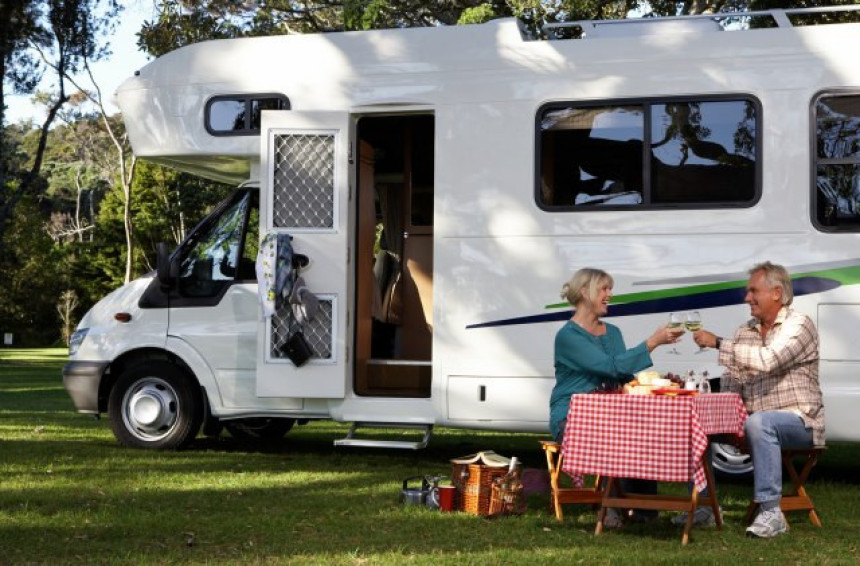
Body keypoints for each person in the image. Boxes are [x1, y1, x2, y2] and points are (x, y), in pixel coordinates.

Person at [693, 261, 825, 539]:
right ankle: (702, 506)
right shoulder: (744, 332)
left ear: (776, 293)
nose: (746, 298)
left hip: (800, 421)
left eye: (753, 291)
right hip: (754, 422)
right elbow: (733, 385)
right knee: (692, 423)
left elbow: (769, 360)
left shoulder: (799, 325)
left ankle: (771, 513)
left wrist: (717, 342)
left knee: (760, 423)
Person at [549, 267, 684, 527]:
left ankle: (643, 509)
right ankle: (611, 508)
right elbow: (609, 366)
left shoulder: (613, 333)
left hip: (613, 414)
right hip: (572, 415)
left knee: (647, 429)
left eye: (610, 289)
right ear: (586, 292)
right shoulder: (567, 337)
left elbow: (623, 376)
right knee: (614, 433)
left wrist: (661, 382)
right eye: (604, 289)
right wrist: (651, 342)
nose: (610, 294)